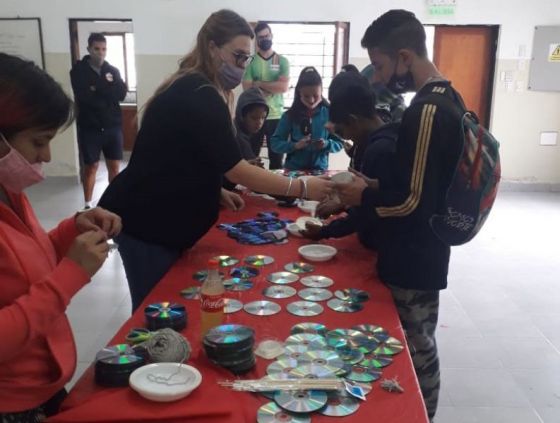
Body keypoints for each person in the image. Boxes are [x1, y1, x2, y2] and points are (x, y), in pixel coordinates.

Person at [98, 10, 332, 312]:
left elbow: (182, 156)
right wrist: (301, 187)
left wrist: (212, 189)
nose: (242, 67)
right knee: (156, 316)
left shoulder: (197, 87)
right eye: (238, 57)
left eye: (246, 59)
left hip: (159, 216)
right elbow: (237, 168)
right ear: (211, 48)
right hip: (147, 224)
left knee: (168, 311)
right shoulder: (199, 92)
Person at [334, 10, 465, 421]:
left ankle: (419, 414)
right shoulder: (445, 98)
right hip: (418, 248)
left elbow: (413, 203)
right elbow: (415, 183)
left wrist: (362, 198)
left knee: (416, 347)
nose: (379, 77)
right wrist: (370, 187)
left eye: (381, 65)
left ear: (405, 57)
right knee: (412, 341)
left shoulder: (427, 110)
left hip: (415, 253)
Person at [0, 53, 121, 421]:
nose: (47, 156)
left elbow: (24, 265)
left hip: (43, 383)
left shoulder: (10, 193)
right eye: (38, 142)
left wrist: (73, 228)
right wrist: (70, 275)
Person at [302, 70, 399, 251]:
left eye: (343, 130)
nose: (345, 136)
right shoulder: (379, 137)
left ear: (353, 121)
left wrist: (326, 231)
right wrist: (343, 202)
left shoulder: (379, 150)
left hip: (381, 245)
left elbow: (367, 211)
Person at [70, 32, 128, 210]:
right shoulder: (78, 71)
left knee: (114, 167)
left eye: (103, 49)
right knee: (91, 167)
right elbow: (85, 97)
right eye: (96, 49)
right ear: (89, 49)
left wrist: (97, 88)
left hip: (112, 127)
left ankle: (114, 202)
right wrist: (106, 89)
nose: (100, 53)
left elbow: (121, 94)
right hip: (91, 128)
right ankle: (88, 204)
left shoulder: (112, 70)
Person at [270, 66, 343, 172]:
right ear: (299, 94)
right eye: (306, 96)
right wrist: (294, 146)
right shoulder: (289, 115)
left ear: (321, 91)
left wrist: (326, 144)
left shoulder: (329, 114)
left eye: (316, 95)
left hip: (320, 170)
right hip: (293, 171)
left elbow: (339, 142)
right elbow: (275, 143)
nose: (311, 100)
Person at [242, 22, 289, 169]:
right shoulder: (250, 61)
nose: (264, 39)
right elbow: (247, 89)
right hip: (255, 116)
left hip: (276, 117)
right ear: (257, 39)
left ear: (272, 36)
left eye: (267, 35)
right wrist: (271, 86)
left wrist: (259, 83)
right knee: (252, 156)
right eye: (261, 37)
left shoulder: (282, 61)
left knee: (276, 159)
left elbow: (283, 87)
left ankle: (276, 191)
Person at [223, 87, 268, 191]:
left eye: (263, 117)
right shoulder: (236, 134)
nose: (259, 123)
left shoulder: (254, 131)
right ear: (241, 115)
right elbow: (252, 174)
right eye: (254, 118)